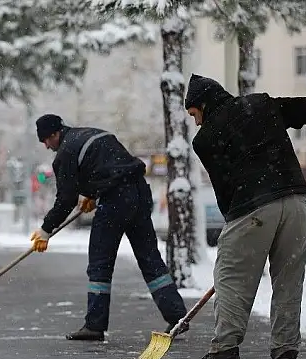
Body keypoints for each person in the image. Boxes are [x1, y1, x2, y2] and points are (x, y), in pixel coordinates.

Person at [183, 74, 306, 359]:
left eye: (194, 114)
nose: (195, 122)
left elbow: (225, 191)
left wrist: (237, 227)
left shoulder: (205, 139)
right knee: (288, 282)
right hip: (297, 203)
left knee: (232, 278)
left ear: (203, 104)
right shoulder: (258, 104)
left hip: (254, 205)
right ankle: (286, 356)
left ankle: (225, 353)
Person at [29, 114, 189, 341]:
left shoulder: (65, 152)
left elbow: (65, 199)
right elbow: (110, 165)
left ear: (55, 133)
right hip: (139, 192)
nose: (46, 146)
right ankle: (177, 316)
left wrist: (45, 230)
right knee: (148, 257)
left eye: (46, 140)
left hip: (115, 200)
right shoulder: (91, 133)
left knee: (99, 261)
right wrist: (93, 194)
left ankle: (95, 325)